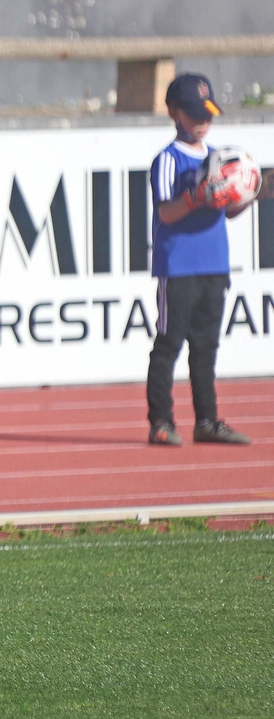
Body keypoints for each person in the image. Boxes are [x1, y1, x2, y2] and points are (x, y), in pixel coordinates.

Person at [144, 73, 254, 446]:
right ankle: (161, 421)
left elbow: (227, 210)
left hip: (214, 264)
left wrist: (249, 192)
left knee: (206, 347)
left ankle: (206, 421)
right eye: (193, 113)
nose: (203, 121)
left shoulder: (218, 157)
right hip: (178, 266)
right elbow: (166, 213)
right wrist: (197, 196)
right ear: (174, 113)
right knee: (169, 343)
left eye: (207, 113)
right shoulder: (167, 160)